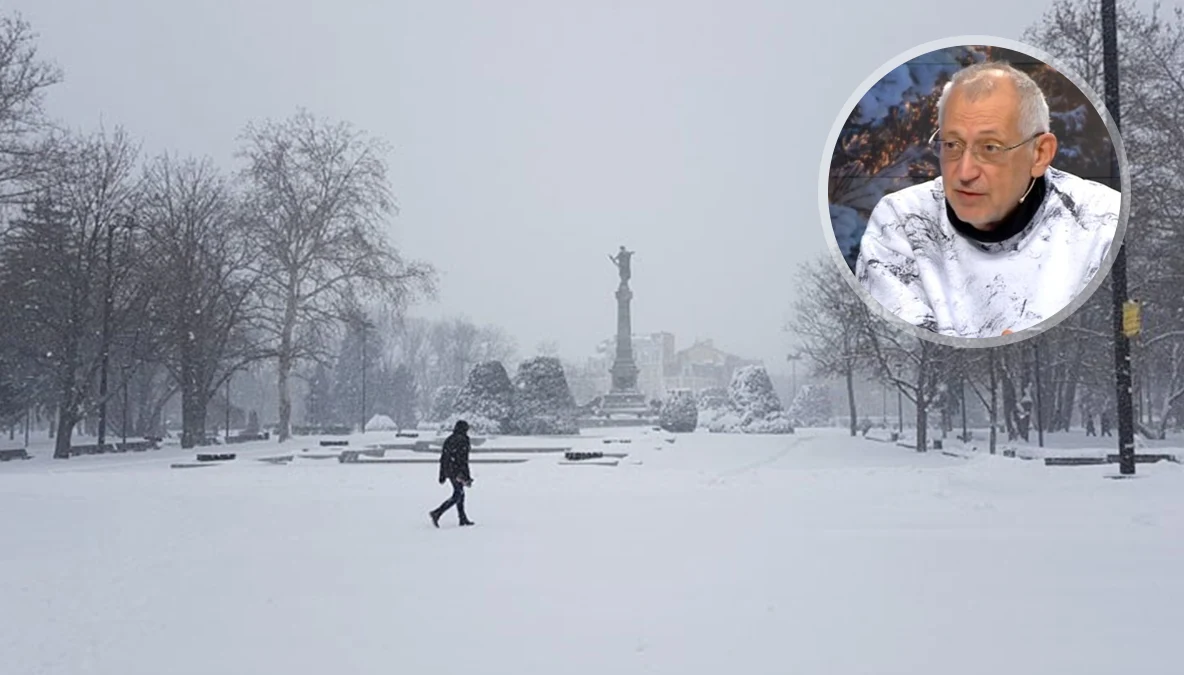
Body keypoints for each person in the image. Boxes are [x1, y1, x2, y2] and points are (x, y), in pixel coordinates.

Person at [855, 60, 1120, 338]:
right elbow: (903, 348)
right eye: (952, 145)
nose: (965, 172)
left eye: (990, 148)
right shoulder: (901, 222)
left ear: (1040, 153)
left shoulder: (1100, 223)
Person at [430, 420, 475, 527]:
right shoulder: (464, 440)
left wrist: (442, 474)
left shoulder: (449, 439)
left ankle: (462, 518)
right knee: (458, 494)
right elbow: (463, 460)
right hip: (457, 471)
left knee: (460, 493)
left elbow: (443, 458)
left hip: (449, 470)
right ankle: (437, 513)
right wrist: (466, 477)